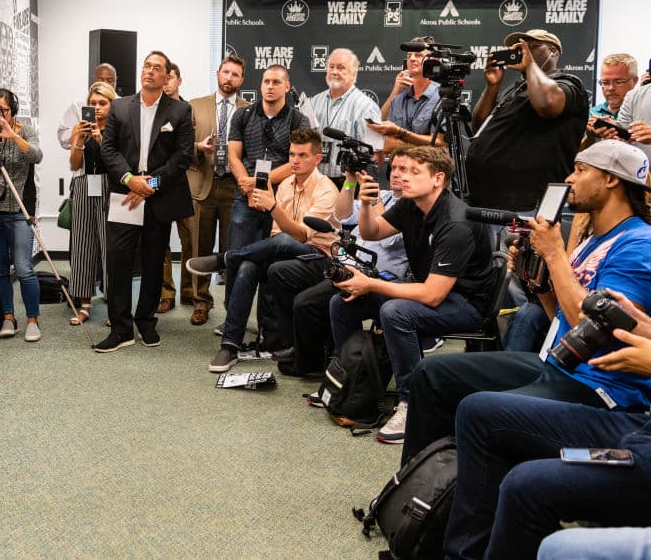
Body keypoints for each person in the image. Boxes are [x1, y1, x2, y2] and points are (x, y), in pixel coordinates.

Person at [402, 139, 651, 476]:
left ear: (610, 180)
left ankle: (460, 501)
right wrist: (540, 284)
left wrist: (554, 254)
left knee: (478, 410)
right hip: (557, 364)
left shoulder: (638, 244)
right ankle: (416, 485)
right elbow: (559, 318)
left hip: (597, 387)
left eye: (581, 170)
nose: (570, 179)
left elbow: (597, 328)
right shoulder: (595, 240)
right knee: (432, 373)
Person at [445, 290, 651, 560]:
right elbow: (568, 317)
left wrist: (555, 261)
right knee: (477, 410)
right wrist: (638, 322)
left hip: (620, 411)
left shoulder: (635, 260)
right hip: (638, 424)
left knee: (525, 486)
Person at [329, 145, 495, 444]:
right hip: (432, 291)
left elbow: (432, 296)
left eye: (413, 172)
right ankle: (350, 379)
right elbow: (372, 232)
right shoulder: (411, 205)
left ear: (438, 179)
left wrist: (371, 284)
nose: (403, 177)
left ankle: (411, 402)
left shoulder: (456, 222)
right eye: (402, 170)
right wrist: (366, 204)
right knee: (343, 302)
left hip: (466, 304)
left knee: (395, 312)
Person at [186, 127, 339, 371]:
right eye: (292, 155)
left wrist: (272, 207)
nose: (295, 160)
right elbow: (276, 234)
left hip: (318, 257)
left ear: (317, 159)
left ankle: (224, 258)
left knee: (284, 241)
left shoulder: (327, 189)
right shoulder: (286, 184)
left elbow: (301, 235)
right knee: (247, 266)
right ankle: (230, 345)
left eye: (302, 155)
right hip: (286, 251)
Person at [94, 51, 194, 352]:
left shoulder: (180, 111)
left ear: (167, 76)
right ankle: (121, 329)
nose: (150, 71)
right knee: (118, 261)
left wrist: (148, 184)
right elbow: (109, 150)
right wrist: (130, 180)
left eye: (157, 68)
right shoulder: (120, 107)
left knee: (153, 262)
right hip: (125, 195)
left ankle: (146, 321)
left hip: (158, 196)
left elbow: (182, 157)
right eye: (147, 66)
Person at [269, 166, 408, 376]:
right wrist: (350, 181)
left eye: (403, 169)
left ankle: (315, 363)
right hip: (348, 264)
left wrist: (373, 199)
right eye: (394, 168)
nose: (396, 173)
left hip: (378, 276)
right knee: (280, 272)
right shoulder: (386, 196)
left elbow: (387, 239)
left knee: (306, 303)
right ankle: (304, 352)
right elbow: (343, 215)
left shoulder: (409, 208)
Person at [226, 64, 310, 339]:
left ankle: (267, 325)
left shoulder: (298, 120)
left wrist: (261, 181)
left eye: (276, 82)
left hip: (280, 197)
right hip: (245, 197)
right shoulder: (243, 115)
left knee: (272, 262)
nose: (270, 86)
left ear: (287, 86)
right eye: (266, 81)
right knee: (238, 258)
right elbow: (234, 155)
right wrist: (245, 182)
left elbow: (296, 162)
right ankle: (231, 320)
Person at [465, 29, 588, 213]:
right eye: (518, 48)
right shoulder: (514, 89)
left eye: (531, 46)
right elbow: (480, 127)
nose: (523, 51)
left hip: (528, 203)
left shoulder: (568, 83)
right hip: (488, 199)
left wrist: (530, 66)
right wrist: (492, 86)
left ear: (553, 51)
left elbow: (547, 105)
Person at [184, 55, 250, 326]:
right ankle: (201, 302)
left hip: (235, 188)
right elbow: (181, 146)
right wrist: (198, 147)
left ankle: (232, 306)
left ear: (241, 80)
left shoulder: (249, 110)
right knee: (200, 247)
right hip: (203, 186)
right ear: (217, 74)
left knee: (233, 251)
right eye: (226, 72)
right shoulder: (195, 106)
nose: (229, 78)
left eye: (235, 74)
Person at [0, 88, 44, 341]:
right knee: (0, 270)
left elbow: (36, 155)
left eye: (2, 110)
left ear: (12, 109)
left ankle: (33, 320)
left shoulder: (25, 131)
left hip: (19, 209)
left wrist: (12, 135)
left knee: (24, 268)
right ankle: (8, 317)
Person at [65, 81, 115, 325]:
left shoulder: (117, 129)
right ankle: (84, 305)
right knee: (82, 246)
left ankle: (114, 306)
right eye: (92, 103)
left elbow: (116, 162)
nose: (97, 107)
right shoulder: (80, 128)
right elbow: (74, 164)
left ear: (112, 104)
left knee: (110, 248)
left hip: (109, 187)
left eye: (102, 103)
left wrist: (100, 138)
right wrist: (78, 139)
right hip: (84, 184)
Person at [300, 48, 381, 185]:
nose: (334, 71)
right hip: (316, 182)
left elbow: (375, 153)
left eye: (341, 68)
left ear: (354, 74)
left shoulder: (367, 107)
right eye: (331, 67)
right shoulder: (313, 102)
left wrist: (355, 186)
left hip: (348, 183)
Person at [158, 61, 196, 315]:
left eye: (170, 77)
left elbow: (188, 147)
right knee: (161, 243)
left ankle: (189, 290)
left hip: (186, 184)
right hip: (158, 184)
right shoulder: (153, 109)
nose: (166, 82)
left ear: (178, 80)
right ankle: (166, 293)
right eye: (164, 77)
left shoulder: (188, 110)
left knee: (190, 240)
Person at [367, 37, 444, 152]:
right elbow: (386, 144)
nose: (412, 58)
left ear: (432, 61)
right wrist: (396, 91)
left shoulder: (442, 97)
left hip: (427, 163)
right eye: (409, 56)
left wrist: (400, 134)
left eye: (418, 55)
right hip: (397, 162)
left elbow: (440, 143)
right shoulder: (398, 99)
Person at [56, 62, 117, 150]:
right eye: (100, 80)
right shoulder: (78, 106)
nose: (105, 84)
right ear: (94, 80)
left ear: (115, 82)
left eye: (110, 81)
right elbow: (63, 140)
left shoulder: (122, 106)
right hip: (83, 156)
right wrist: (77, 132)